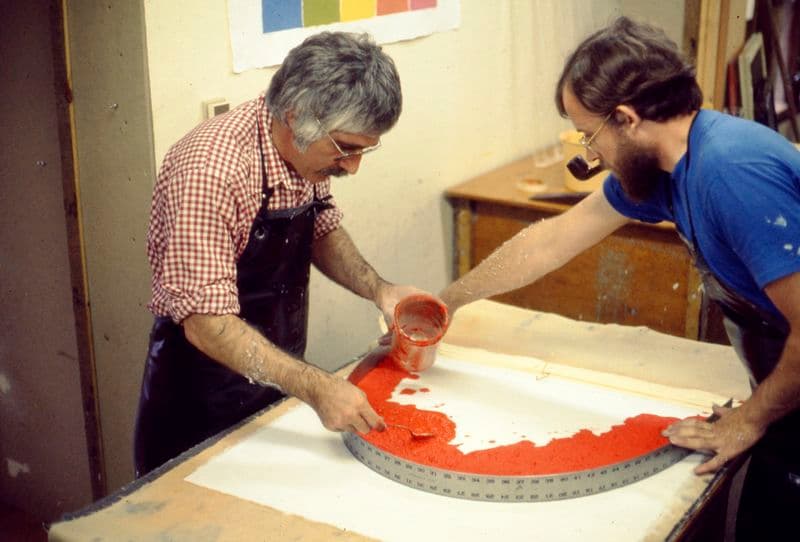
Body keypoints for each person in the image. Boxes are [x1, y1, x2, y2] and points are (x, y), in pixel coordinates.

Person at [440, 17, 800, 541]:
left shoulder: (729, 172)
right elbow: (550, 240)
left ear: (626, 119)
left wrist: (751, 417)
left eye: (590, 136)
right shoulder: (666, 170)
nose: (593, 156)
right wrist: (446, 303)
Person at [135, 31, 422, 477]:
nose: (352, 166)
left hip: (271, 379)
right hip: (198, 397)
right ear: (294, 116)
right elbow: (207, 325)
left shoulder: (302, 145)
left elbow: (320, 227)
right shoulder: (211, 171)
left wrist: (379, 290)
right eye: (346, 148)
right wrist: (316, 385)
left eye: (365, 150)